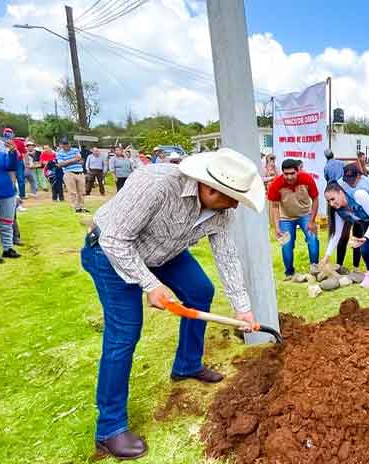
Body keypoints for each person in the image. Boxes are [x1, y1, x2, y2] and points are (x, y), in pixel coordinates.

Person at [81, 148, 262, 460]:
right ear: (209, 188)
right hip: (110, 254)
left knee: (200, 291)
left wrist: (241, 306)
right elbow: (114, 240)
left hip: (164, 253)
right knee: (124, 334)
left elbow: (227, 256)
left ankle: (187, 365)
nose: (235, 204)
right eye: (231, 197)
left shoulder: (222, 211)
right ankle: (109, 428)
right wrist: (150, 285)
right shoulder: (156, 184)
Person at [267, 159, 320, 279]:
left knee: (312, 239)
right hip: (286, 218)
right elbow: (274, 207)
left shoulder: (307, 179)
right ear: (282, 173)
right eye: (286, 174)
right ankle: (289, 272)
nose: (289, 177)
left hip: (305, 214)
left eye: (292, 173)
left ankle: (314, 267)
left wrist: (311, 221)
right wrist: (277, 227)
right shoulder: (276, 184)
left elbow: (315, 199)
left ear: (298, 171)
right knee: (286, 245)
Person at [0, 117, 20, 263]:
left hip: (6, 191)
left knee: (7, 223)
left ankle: (8, 248)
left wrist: (13, 152)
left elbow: (11, 166)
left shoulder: (0, 148)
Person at [335, 163, 369, 271]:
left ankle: (356, 266)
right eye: (347, 179)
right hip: (346, 211)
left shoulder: (366, 183)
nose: (349, 182)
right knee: (343, 237)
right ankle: (339, 265)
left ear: (358, 176)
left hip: (361, 213)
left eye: (352, 179)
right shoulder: (340, 182)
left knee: (358, 238)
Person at [57, 137, 88, 213]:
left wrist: (68, 162)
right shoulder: (59, 153)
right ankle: (75, 208)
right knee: (72, 192)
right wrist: (74, 160)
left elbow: (80, 160)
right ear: (61, 145)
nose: (66, 145)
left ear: (70, 143)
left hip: (80, 172)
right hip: (69, 173)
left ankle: (81, 207)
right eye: (64, 144)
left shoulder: (75, 150)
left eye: (67, 143)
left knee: (82, 192)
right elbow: (60, 164)